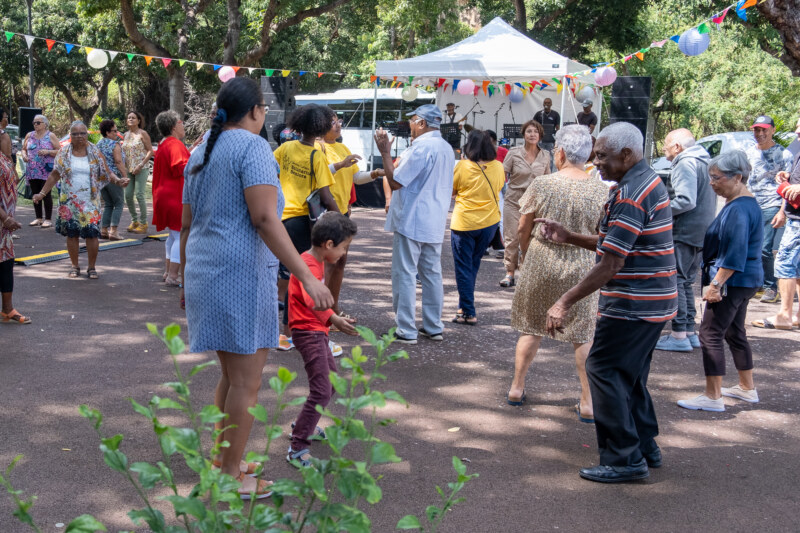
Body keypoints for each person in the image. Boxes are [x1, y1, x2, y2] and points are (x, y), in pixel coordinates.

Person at [180, 77, 333, 499]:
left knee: (231, 376)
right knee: (246, 381)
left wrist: (183, 275)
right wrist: (305, 277)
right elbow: (265, 219)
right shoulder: (252, 148)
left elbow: (186, 223)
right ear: (255, 111)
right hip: (241, 274)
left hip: (205, 270)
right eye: (263, 107)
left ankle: (223, 457)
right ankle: (230, 476)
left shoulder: (201, 151)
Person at [538, 122, 677, 483]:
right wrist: (569, 237)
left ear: (627, 155)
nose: (594, 163)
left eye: (602, 156)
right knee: (629, 375)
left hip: (635, 304)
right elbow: (613, 244)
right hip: (653, 301)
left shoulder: (632, 194)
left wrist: (563, 302)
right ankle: (645, 446)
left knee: (603, 369)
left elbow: (612, 263)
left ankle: (624, 459)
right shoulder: (644, 183)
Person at [506, 126, 608, 421]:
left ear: (560, 153)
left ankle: (516, 387)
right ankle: (587, 402)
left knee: (531, 327)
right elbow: (603, 234)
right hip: (583, 265)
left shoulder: (542, 184)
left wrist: (525, 255)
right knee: (583, 334)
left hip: (541, 260)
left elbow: (523, 226)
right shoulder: (601, 190)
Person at [677, 151, 764, 412]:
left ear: (737, 177)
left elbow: (734, 253)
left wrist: (716, 285)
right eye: (711, 177)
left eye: (717, 178)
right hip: (746, 280)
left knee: (710, 333)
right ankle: (746, 387)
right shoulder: (746, 204)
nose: (712, 183)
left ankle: (712, 396)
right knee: (734, 331)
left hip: (733, 281)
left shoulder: (738, 208)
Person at [378, 104, 455, 344]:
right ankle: (433, 326)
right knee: (431, 273)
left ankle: (406, 329)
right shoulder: (445, 147)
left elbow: (397, 181)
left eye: (412, 121)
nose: (410, 126)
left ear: (421, 123)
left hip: (413, 217)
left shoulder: (422, 147)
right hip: (434, 217)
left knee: (405, 273)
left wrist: (384, 153)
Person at [287, 212, 358, 467]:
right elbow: (313, 301)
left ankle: (305, 423)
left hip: (317, 331)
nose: (343, 254)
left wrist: (334, 318)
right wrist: (335, 319)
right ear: (329, 244)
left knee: (330, 385)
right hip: (309, 333)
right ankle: (297, 446)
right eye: (343, 248)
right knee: (321, 389)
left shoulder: (313, 263)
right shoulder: (308, 264)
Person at [273, 104, 340, 351]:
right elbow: (325, 195)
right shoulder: (317, 156)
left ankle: (284, 333)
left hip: (280, 218)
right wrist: (341, 218)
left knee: (287, 273)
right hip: (302, 219)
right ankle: (295, 331)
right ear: (322, 128)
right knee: (304, 275)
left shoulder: (285, 148)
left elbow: (272, 172)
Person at [33, 121, 120, 279]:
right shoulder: (64, 152)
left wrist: (118, 180)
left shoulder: (94, 151)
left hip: (90, 200)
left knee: (92, 234)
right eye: (75, 134)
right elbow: (54, 174)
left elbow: (107, 172)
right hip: (69, 201)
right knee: (72, 234)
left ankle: (91, 268)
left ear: (87, 134)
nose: (79, 136)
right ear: (70, 136)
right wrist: (42, 193)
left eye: (82, 133)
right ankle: (74, 266)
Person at [318, 112, 385, 315]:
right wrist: (340, 165)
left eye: (339, 121)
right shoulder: (317, 147)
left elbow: (355, 178)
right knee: (326, 263)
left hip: (343, 214)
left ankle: (333, 308)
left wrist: (375, 174)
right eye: (333, 122)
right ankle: (321, 313)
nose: (338, 125)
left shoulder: (342, 147)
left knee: (340, 261)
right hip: (325, 213)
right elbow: (318, 175)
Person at [655, 129, 715, 352]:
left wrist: (657, 210)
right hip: (700, 231)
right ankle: (689, 332)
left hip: (685, 231)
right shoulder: (703, 161)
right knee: (687, 281)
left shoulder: (685, 163)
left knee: (678, 280)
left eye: (667, 145)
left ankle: (679, 334)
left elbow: (685, 200)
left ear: (678, 147)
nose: (664, 149)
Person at [449, 130, 504, 326]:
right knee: (472, 266)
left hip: (465, 222)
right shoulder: (498, 166)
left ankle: (468, 312)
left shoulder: (463, 166)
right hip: (489, 223)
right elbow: (499, 187)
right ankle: (464, 306)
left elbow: (452, 191)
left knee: (463, 268)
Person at [754, 115, 800, 330]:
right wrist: (787, 177)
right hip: (763, 206)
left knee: (784, 263)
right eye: (797, 126)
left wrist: (785, 206)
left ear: (771, 130)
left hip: (786, 212)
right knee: (795, 267)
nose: (797, 131)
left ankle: (783, 314)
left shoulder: (785, 151)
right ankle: (794, 315)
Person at [745, 115, 793, 304]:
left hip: (772, 204)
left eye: (764, 129)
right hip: (749, 205)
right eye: (757, 130)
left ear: (772, 130)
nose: (760, 133)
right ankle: (755, 284)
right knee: (750, 246)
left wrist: (782, 211)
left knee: (765, 248)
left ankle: (771, 287)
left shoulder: (784, 155)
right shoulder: (748, 152)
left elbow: (788, 185)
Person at [500, 120, 551, 287]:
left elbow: (547, 180)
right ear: (523, 134)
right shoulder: (513, 153)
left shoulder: (545, 155)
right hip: (514, 200)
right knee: (512, 238)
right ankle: (509, 272)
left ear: (540, 135)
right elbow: (501, 175)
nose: (532, 134)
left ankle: (525, 271)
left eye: (536, 132)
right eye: (529, 131)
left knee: (528, 239)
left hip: (534, 203)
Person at [152, 110, 190, 286]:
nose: (183, 124)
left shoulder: (164, 143)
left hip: (163, 195)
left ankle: (168, 271)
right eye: (181, 121)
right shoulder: (175, 144)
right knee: (180, 234)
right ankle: (174, 275)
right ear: (175, 126)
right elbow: (181, 167)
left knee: (173, 235)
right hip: (174, 195)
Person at [0, 116, 29, 324]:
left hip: (5, 226)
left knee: (6, 263)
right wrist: (5, 218)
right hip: (3, 220)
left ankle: (7, 309)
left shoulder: (4, 158)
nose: (8, 139)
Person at [20, 114, 60, 228]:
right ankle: (38, 218)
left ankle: (48, 219)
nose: (35, 125)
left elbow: (60, 150)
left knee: (45, 193)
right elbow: (23, 149)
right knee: (35, 192)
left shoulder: (50, 135)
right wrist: (24, 156)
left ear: (45, 124)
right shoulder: (30, 135)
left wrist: (48, 152)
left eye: (38, 123)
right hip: (32, 169)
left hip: (46, 169)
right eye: (34, 123)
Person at [96, 120, 130, 240]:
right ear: (107, 132)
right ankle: (114, 231)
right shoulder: (114, 144)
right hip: (114, 176)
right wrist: (124, 176)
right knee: (119, 203)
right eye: (114, 131)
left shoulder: (98, 144)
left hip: (102, 177)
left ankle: (104, 230)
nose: (117, 133)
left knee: (108, 204)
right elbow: (118, 161)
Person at [122, 111, 154, 234]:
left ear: (139, 121)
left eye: (133, 118)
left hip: (142, 167)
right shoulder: (126, 134)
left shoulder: (143, 134)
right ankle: (134, 220)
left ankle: (143, 223)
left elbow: (150, 151)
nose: (130, 119)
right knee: (128, 195)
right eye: (129, 117)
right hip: (129, 168)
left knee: (140, 194)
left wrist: (141, 165)